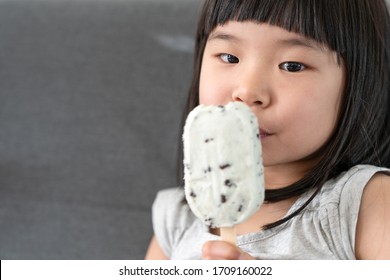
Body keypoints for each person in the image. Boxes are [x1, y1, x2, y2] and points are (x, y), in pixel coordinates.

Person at [145, 0, 390, 260]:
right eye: (229, 57)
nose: (248, 91)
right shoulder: (177, 220)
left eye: (292, 66)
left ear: (360, 83)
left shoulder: (366, 204)